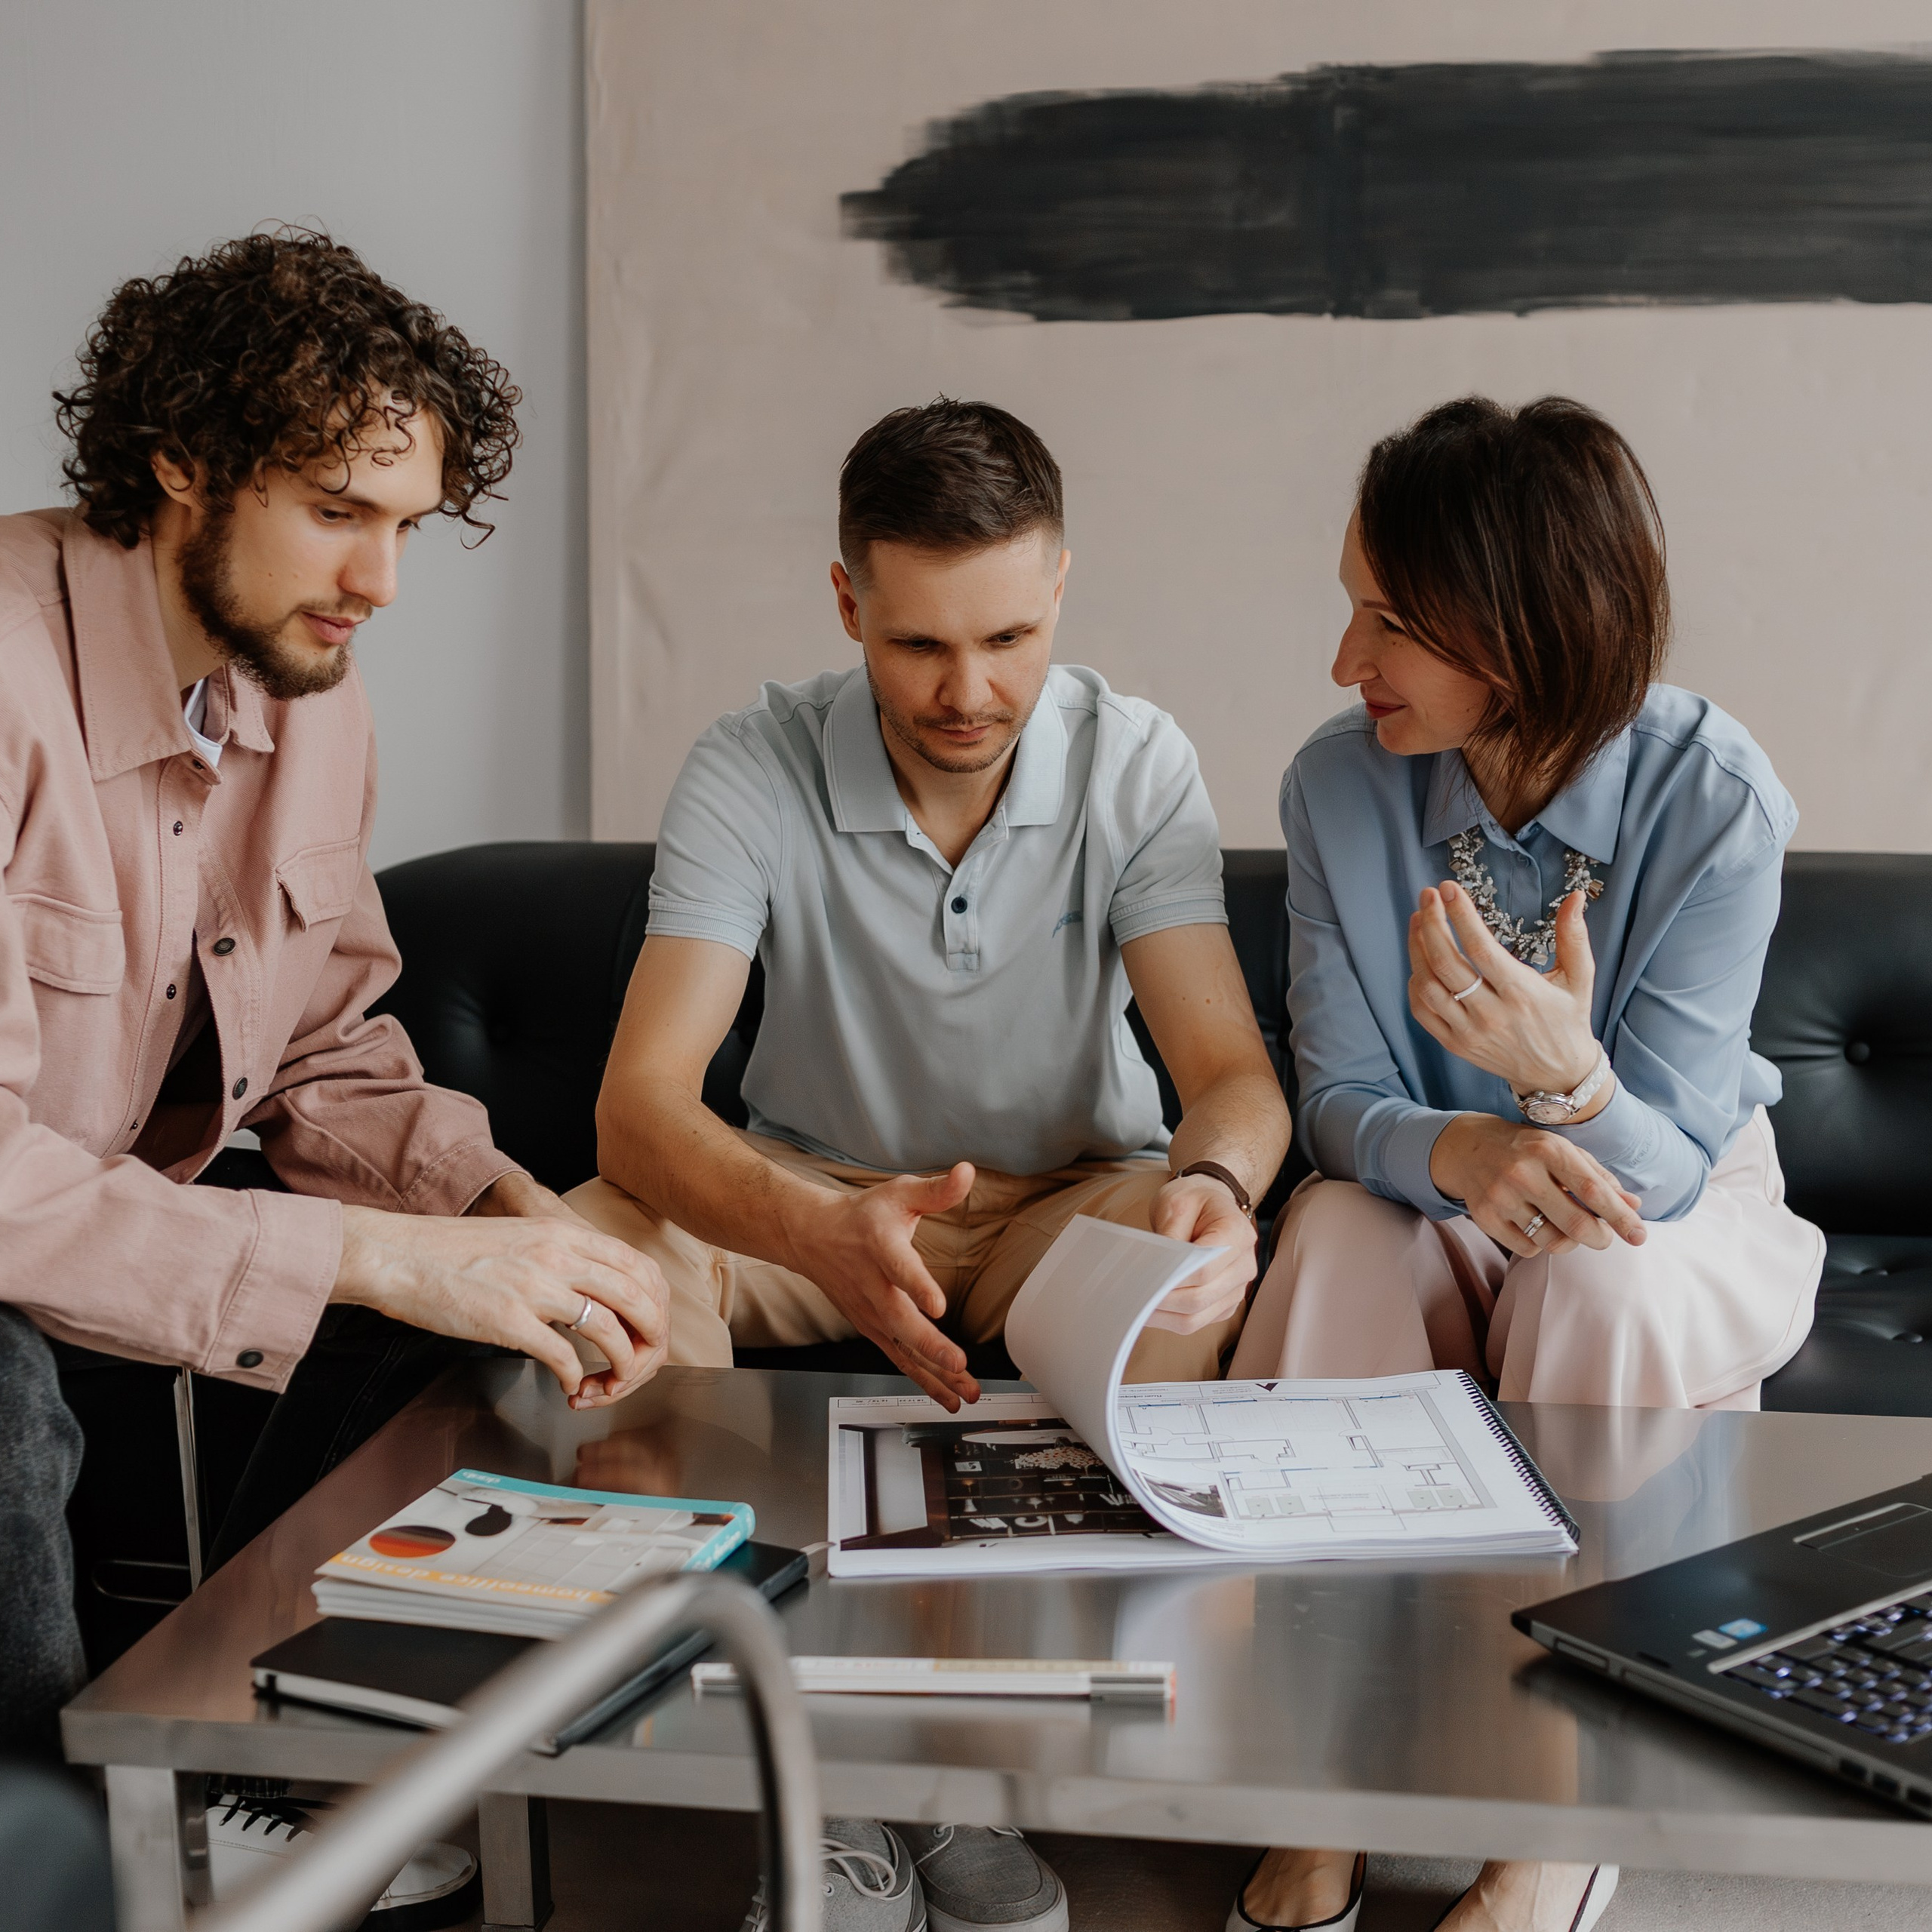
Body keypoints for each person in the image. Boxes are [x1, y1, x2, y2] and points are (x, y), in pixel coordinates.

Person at [574, 398, 1291, 1932]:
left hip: (1056, 1205)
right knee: (598, 1252)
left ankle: (976, 1767)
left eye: (1009, 637)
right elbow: (637, 1111)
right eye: (916, 648)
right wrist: (820, 1226)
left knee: (1181, 1281)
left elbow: (1227, 1079)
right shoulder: (747, 761)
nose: (971, 691)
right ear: (845, 603)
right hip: (804, 1190)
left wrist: (1217, 1191)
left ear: (1058, 589)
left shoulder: (1134, 758)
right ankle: (798, 1771)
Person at [0, 232, 669, 1759]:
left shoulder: (308, 686)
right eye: (334, 513)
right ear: (178, 460)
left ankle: (262, 1745)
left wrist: (508, 1219)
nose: (379, 579)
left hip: (99, 1220)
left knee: (460, 1323)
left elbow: (321, 1051)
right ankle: (45, 1846)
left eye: (408, 525)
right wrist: (374, 1249)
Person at [1223, 396, 1821, 1932]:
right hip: (1429, 1181)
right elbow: (1343, 1099)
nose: (1343, 663)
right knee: (1334, 1245)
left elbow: (1672, 1160)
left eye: (1386, 623)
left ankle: (1551, 1808)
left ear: (1520, 632)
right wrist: (1466, 1143)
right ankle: (1323, 1774)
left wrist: (1562, 1079)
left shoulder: (1715, 800)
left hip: (1658, 1201)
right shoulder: (1333, 785)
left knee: (1597, 1274)